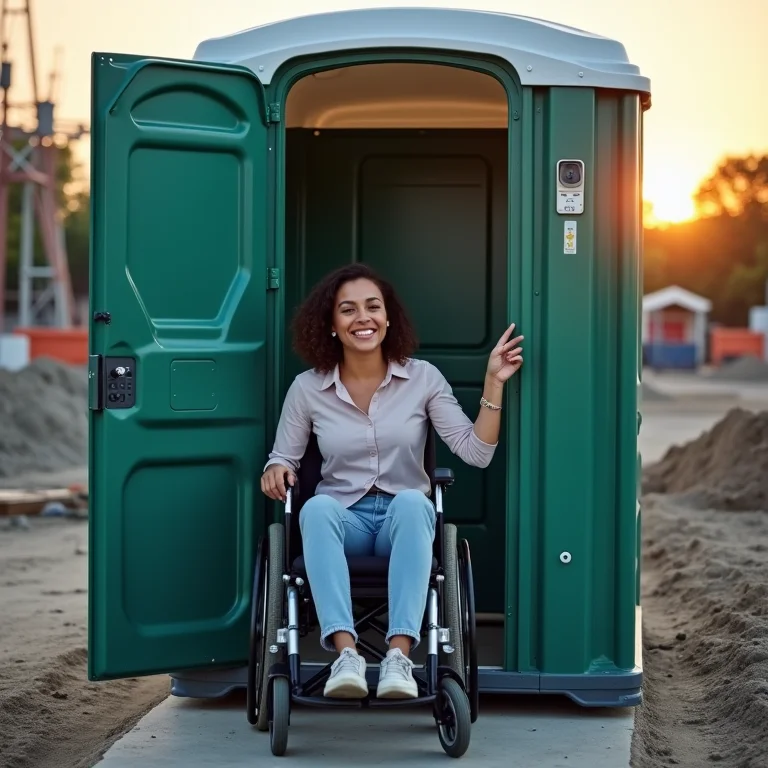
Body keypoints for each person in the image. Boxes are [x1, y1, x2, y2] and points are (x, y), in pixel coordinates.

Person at [260, 264, 523, 700]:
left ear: (387, 318)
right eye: (348, 310)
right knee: (316, 506)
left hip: (403, 524)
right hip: (343, 523)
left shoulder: (423, 379)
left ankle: (399, 656)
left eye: (373, 307)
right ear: (330, 324)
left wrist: (493, 380)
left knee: (415, 503)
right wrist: (274, 469)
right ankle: (347, 656)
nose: (362, 318)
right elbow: (282, 456)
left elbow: (476, 451)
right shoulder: (307, 389)